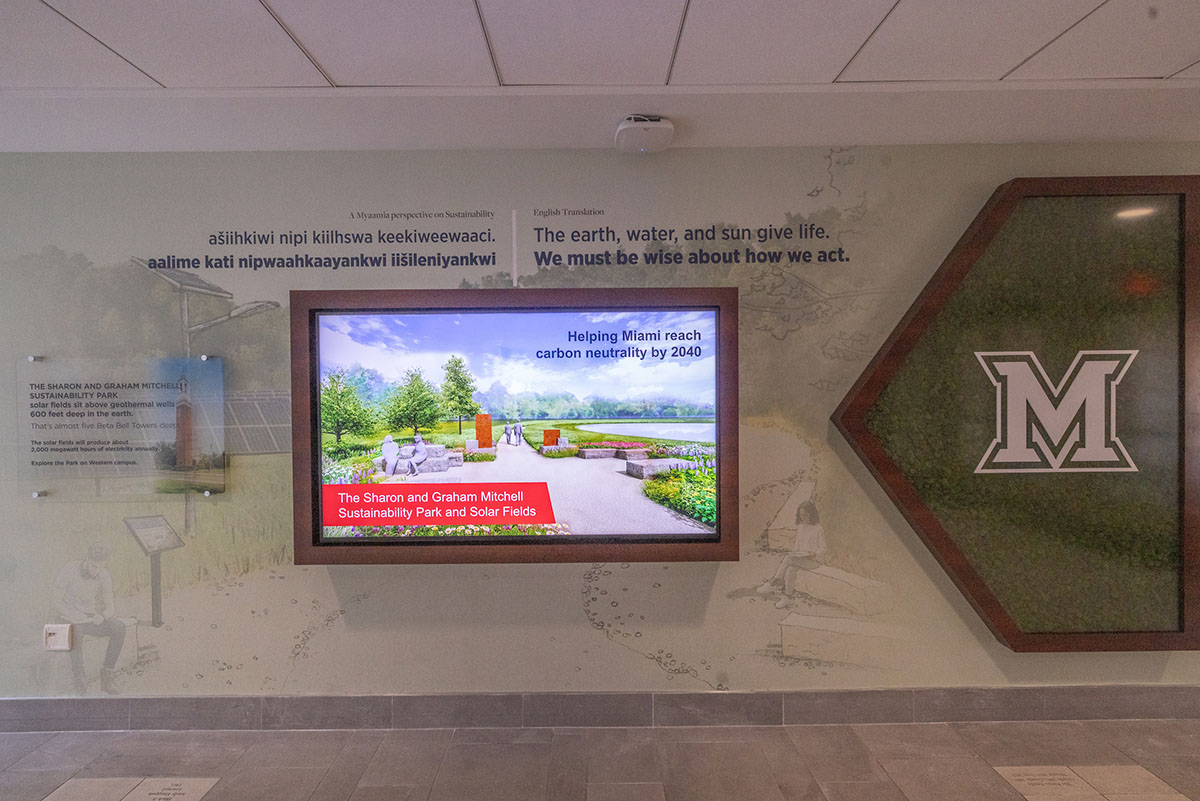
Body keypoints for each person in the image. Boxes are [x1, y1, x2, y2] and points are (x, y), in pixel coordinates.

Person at [52, 544, 125, 694]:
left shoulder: (103, 574)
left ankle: (107, 677)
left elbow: (110, 607)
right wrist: (72, 616)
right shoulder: (69, 569)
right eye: (93, 566)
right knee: (76, 631)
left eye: (100, 567)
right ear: (87, 559)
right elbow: (56, 602)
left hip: (87, 617)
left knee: (119, 628)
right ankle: (81, 681)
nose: (95, 571)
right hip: (66, 616)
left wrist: (102, 616)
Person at [756, 501, 827, 609]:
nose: (803, 517)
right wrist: (794, 552)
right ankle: (788, 597)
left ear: (812, 514)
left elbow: (823, 548)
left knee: (789, 559)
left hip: (814, 561)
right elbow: (797, 546)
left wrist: (815, 554)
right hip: (801, 558)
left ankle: (773, 583)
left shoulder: (818, 529)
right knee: (790, 569)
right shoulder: (800, 527)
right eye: (801, 515)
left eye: (806, 515)